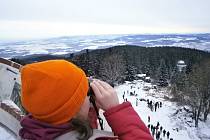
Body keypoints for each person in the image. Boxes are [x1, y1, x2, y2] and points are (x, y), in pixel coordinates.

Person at [19, 60, 153, 140]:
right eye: (86, 93)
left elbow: (73, 122)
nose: (90, 97)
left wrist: (90, 111)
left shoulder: (34, 129)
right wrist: (116, 111)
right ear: (75, 109)